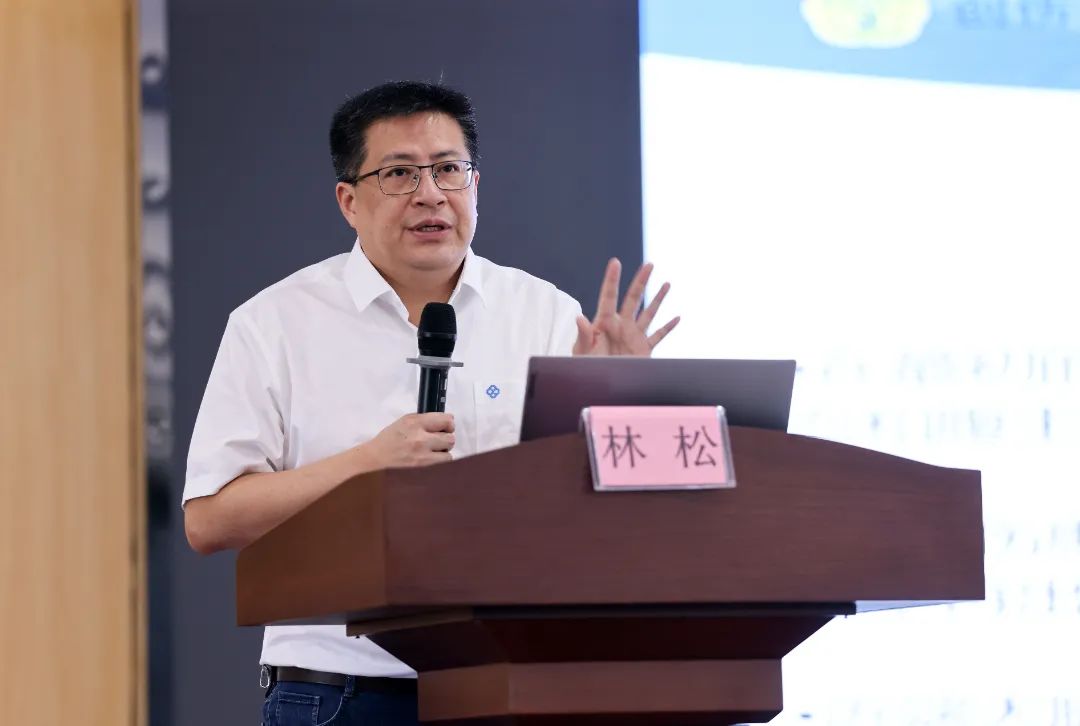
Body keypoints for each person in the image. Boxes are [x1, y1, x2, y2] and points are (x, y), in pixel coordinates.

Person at [182, 80, 679, 726]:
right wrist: (365, 465)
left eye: (449, 169)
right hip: (341, 693)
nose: (431, 193)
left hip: (511, 685)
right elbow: (210, 520)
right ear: (349, 201)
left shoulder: (545, 313)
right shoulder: (274, 323)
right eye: (399, 174)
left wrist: (615, 402)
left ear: (476, 185)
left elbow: (595, 512)